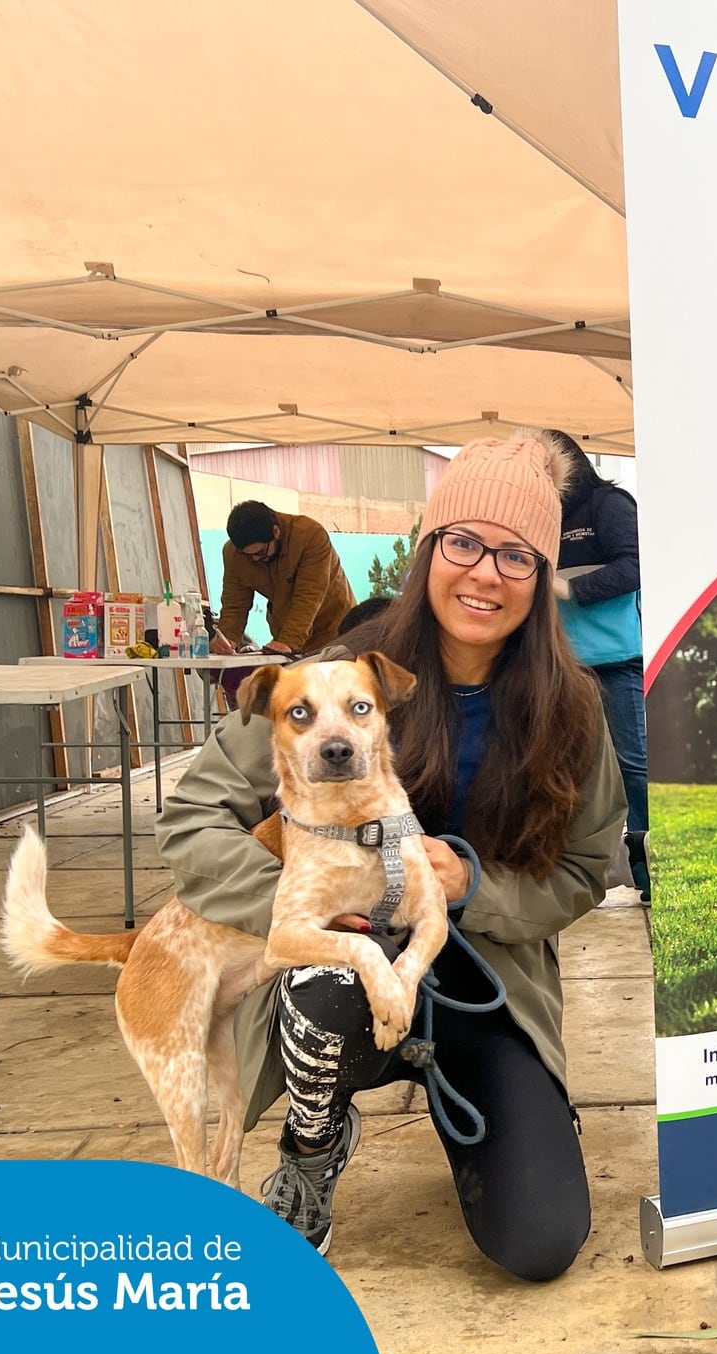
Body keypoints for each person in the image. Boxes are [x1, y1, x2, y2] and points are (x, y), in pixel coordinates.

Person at [158, 436, 627, 1278]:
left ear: (543, 576)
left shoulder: (573, 707)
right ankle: (312, 1141)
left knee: (541, 1241)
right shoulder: (332, 678)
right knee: (331, 979)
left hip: (488, 976)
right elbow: (194, 814)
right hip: (337, 973)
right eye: (464, 543)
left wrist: (472, 885)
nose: (485, 573)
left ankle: (484, 1098)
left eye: (517, 554)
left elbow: (587, 869)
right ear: (429, 550)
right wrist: (299, 896)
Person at [545, 430, 649, 903]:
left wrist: (571, 590)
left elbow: (636, 565)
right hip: (559, 666)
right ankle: (588, 874)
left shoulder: (608, 504)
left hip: (614, 661)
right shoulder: (540, 514)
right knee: (570, 770)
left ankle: (647, 866)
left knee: (634, 764)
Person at [213, 500, 357, 658]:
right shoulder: (233, 553)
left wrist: (288, 641)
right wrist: (227, 639)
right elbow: (234, 604)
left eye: (260, 552)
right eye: (248, 555)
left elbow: (308, 597)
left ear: (276, 531)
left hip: (337, 631)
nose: (254, 559)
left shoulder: (310, 536)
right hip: (285, 635)